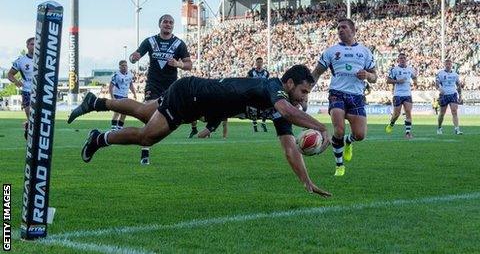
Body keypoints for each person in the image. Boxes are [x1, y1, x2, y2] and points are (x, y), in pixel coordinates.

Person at [68, 65, 331, 197]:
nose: (304, 99)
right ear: (289, 83)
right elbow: (288, 111)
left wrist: (306, 182)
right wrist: (319, 125)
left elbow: (289, 147)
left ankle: (96, 103)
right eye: (303, 91)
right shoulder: (272, 87)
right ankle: (99, 138)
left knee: (143, 112)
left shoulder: (278, 107)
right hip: (191, 95)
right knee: (148, 136)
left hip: (196, 101)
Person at [311, 18, 377, 177]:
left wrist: (367, 74)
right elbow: (317, 72)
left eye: (344, 27)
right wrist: (306, 91)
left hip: (357, 96)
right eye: (338, 27)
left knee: (360, 135)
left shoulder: (365, 51)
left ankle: (349, 141)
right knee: (338, 130)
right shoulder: (331, 51)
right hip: (337, 93)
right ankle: (339, 165)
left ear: (353, 31)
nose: (340, 30)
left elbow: (375, 77)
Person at [129, 14, 192, 164]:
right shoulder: (150, 41)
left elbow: (189, 65)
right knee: (149, 114)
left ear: (173, 26)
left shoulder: (179, 43)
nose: (168, 24)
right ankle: (145, 150)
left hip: (171, 87)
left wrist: (179, 65)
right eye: (165, 22)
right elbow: (135, 56)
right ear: (160, 24)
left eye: (171, 22)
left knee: (169, 118)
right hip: (153, 84)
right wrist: (133, 57)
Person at [384, 53, 417, 139]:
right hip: (398, 94)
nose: (402, 60)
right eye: (400, 58)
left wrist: (415, 82)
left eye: (404, 58)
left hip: (407, 94)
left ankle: (408, 133)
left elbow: (414, 77)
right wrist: (398, 81)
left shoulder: (410, 69)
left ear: (406, 60)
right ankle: (391, 124)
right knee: (396, 114)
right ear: (398, 60)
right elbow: (388, 80)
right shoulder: (394, 69)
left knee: (408, 112)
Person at [8, 37, 35, 140]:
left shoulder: (43, 59)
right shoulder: (21, 60)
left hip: (41, 90)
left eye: (36, 44)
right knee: (29, 112)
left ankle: (31, 128)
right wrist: (16, 81)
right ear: (27, 46)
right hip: (27, 90)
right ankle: (29, 126)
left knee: (39, 115)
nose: (34, 46)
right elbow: (10, 74)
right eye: (32, 44)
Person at [435, 59, 463, 135]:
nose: (448, 65)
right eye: (446, 64)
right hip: (444, 95)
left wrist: (460, 95)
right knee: (442, 113)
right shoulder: (440, 73)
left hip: (453, 94)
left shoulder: (455, 74)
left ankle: (457, 129)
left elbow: (458, 85)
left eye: (449, 64)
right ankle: (439, 127)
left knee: (454, 111)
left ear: (451, 65)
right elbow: (436, 83)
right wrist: (440, 89)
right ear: (444, 65)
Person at [108, 60, 137, 130]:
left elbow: (130, 85)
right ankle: (113, 128)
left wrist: (134, 93)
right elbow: (110, 86)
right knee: (117, 112)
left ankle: (120, 128)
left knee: (125, 113)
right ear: (120, 67)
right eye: (123, 66)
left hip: (125, 96)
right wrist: (112, 97)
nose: (124, 67)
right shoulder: (116, 75)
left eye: (125, 65)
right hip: (117, 95)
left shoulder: (129, 74)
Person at [247, 57, 270, 133]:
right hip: (254, 93)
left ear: (262, 63)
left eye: (261, 62)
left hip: (263, 93)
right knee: (254, 109)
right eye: (258, 62)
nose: (259, 63)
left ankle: (263, 122)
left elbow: (267, 82)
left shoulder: (266, 73)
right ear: (256, 63)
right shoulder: (251, 72)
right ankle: (255, 125)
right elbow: (247, 81)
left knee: (266, 108)